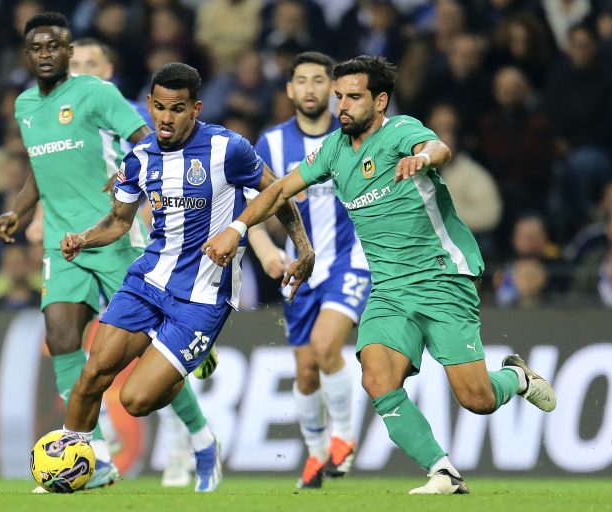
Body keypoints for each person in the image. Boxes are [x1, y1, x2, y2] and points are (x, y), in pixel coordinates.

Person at [203, 55, 557, 495]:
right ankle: (443, 471)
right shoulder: (333, 150)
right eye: (339, 97)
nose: (342, 106)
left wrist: (422, 158)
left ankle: (518, 378)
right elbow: (278, 191)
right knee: (376, 378)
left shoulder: (400, 131)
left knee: (477, 399)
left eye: (353, 97)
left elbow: (438, 149)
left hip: (441, 278)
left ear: (380, 101)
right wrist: (237, 229)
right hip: (388, 289)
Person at [59, 62, 313, 493]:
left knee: (135, 400)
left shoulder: (228, 149)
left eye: (177, 109)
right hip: (147, 281)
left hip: (202, 296)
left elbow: (278, 191)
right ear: (149, 105)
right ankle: (69, 463)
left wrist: (303, 248)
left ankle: (189, 377)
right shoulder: (140, 157)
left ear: (195, 109)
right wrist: (83, 238)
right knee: (92, 375)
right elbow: (119, 222)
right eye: (159, 107)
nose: (166, 118)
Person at [0, 12, 208, 492]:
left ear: (68, 52)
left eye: (54, 46)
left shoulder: (97, 94)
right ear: (26, 55)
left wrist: (131, 173)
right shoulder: (25, 105)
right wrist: (18, 212)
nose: (46, 54)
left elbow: (149, 141)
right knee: (62, 338)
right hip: (61, 243)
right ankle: (95, 457)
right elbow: (40, 168)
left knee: (152, 347)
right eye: (36, 48)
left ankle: (199, 436)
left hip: (112, 236)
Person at [248, 51, 370, 489]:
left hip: (350, 260)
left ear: (333, 91)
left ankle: (345, 437)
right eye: (301, 80)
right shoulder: (271, 144)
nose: (310, 88)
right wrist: (266, 251)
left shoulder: (355, 136)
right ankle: (317, 455)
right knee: (305, 371)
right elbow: (254, 211)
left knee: (324, 345)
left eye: (319, 80)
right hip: (298, 269)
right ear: (289, 89)